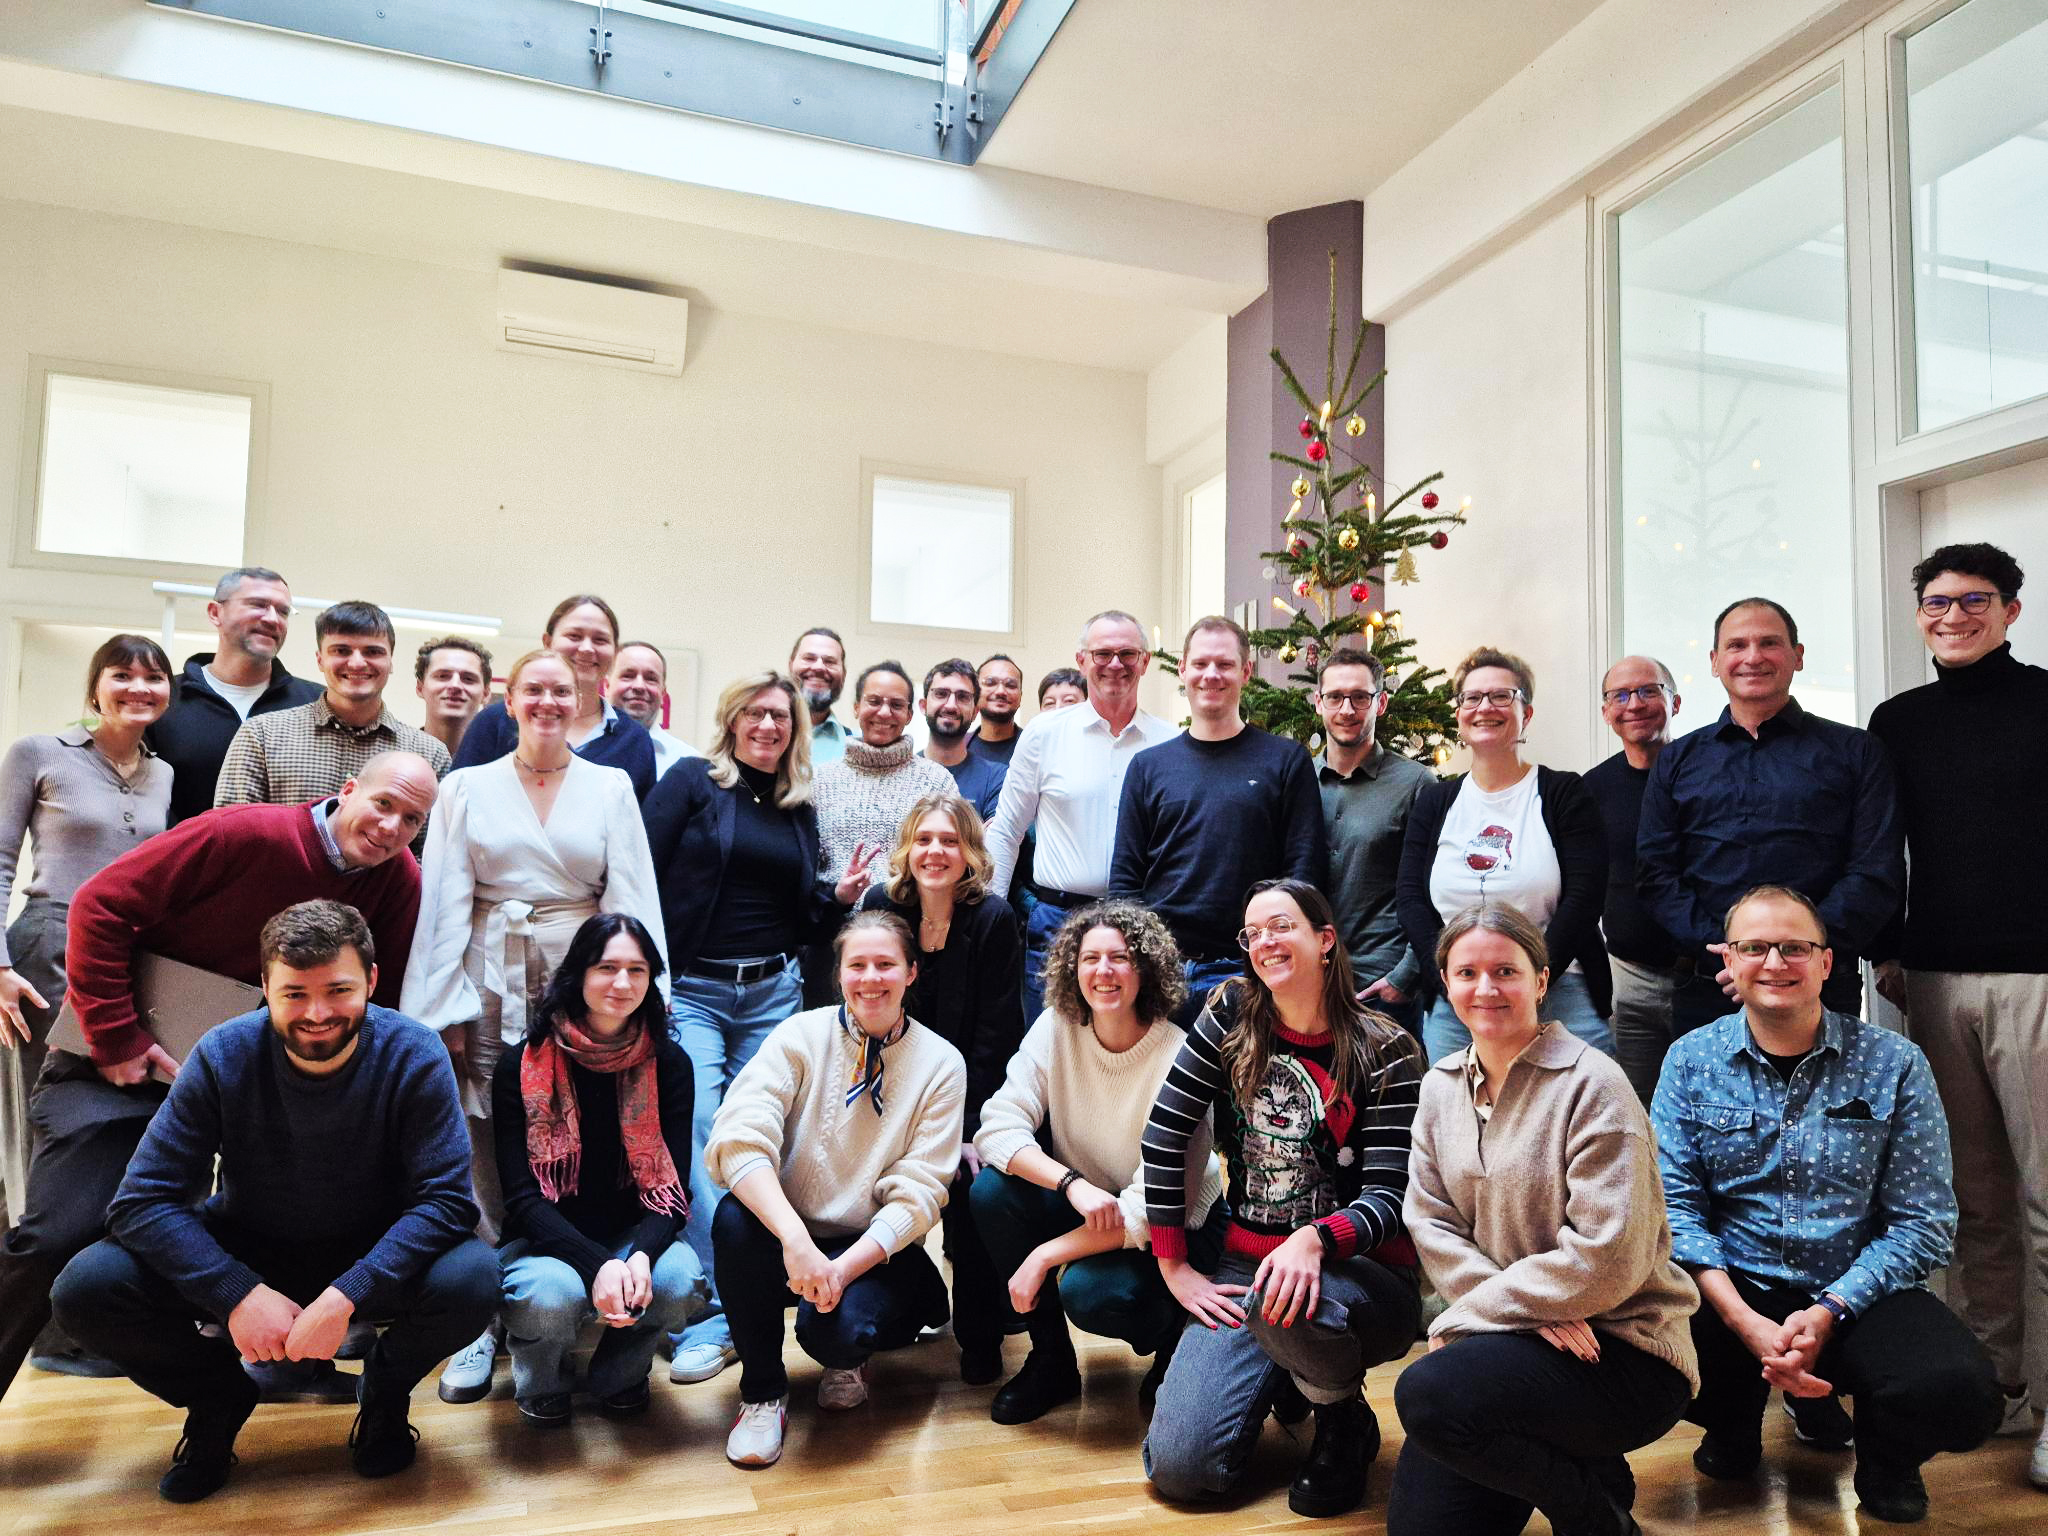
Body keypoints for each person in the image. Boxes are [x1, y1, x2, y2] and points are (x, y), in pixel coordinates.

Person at [0, 753, 434, 1404]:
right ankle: (212, 1388)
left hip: (258, 1085)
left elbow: (382, 995)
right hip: (128, 1063)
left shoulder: (398, 880)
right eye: (382, 804)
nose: (390, 826)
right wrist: (117, 1037)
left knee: (301, 1213)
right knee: (61, 1232)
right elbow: (98, 905)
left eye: (411, 819)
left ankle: (287, 1364)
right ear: (346, 790)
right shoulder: (244, 834)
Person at [50, 900, 496, 1502]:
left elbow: (446, 1202)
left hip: (371, 1248)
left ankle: (385, 1394)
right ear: (264, 986)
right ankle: (217, 1399)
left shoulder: (414, 1051)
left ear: (371, 979)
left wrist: (348, 1295)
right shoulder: (223, 1052)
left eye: (338, 989)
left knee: (472, 1277)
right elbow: (141, 1201)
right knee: (86, 1287)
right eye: (294, 994)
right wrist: (235, 1292)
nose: (317, 1013)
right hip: (252, 1243)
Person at [1652, 885, 2002, 1524]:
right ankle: (1730, 1426)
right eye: (1754, 948)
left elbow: (1924, 1221)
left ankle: (1887, 1459)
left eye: (1794, 947)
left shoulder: (1895, 1064)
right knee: (1638, 1355)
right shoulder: (1688, 1060)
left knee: (1961, 1395)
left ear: (1826, 962)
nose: (1775, 963)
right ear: (1728, 961)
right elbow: (1674, 1208)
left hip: (1856, 1288)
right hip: (1734, 1286)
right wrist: (1742, 1319)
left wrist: (1830, 1309)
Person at [404, 649, 667, 1402]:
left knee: (586, 1121)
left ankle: (566, 1290)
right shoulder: (466, 787)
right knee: (488, 1135)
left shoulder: (611, 785)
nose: (549, 702)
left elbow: (634, 898)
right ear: (509, 699)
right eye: (534, 691)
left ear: (579, 696)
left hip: (587, 975)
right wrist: (441, 1012)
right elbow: (445, 900)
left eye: (562, 690)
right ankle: (481, 1321)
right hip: (493, 976)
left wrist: (645, 998)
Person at [1391, 903, 1699, 1536]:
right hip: (1515, 1338)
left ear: (1540, 979)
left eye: (1505, 970)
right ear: (1445, 983)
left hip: (1621, 1347)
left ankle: (1594, 1519)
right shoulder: (1439, 1086)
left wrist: (1483, 1316)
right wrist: (1521, 1316)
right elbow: (1429, 1222)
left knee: (1427, 1394)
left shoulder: (1594, 1084)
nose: (1485, 988)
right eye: (1467, 972)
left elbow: (1607, 1256)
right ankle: (1593, 1472)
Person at [1141, 879, 1423, 1519]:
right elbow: (1165, 1135)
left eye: (1282, 925)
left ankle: (1340, 1418)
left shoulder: (1387, 1047)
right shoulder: (1229, 1015)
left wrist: (1314, 1239)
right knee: (1182, 1471)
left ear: (1325, 940)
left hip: (1361, 1272)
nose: (1266, 941)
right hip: (1249, 1266)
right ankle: (1293, 1374)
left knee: (1289, 1306)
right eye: (1253, 931)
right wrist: (1174, 1265)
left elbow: (1391, 1195)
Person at [1867, 543, 2048, 1475]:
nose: (1952, 616)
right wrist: (1888, 947)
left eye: (1973, 601)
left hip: (2038, 984)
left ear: (2011, 610)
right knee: (1974, 1199)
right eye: (1936, 602)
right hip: (1933, 982)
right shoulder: (1897, 722)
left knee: (2047, 1198)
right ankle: (2002, 1386)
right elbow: (1880, 845)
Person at [641, 671, 875, 1387]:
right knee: (709, 1134)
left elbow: (793, 908)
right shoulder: (689, 781)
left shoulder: (796, 804)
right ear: (732, 718)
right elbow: (641, 876)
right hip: (699, 994)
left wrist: (831, 898)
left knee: (776, 1136)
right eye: (756, 713)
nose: (768, 726)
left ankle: (761, 1283)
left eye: (781, 717)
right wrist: (649, 978)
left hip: (774, 992)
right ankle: (725, 1308)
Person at [708, 911, 965, 1468]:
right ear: (839, 973)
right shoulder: (799, 1036)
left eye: (886, 964)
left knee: (832, 1336)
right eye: (858, 965)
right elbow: (739, 1138)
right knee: (731, 1218)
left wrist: (841, 1270)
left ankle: (850, 1355)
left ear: (911, 973)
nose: (871, 978)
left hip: (870, 1250)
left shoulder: (942, 1063)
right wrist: (796, 1240)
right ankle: (762, 1393)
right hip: (790, 1232)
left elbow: (920, 1193)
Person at [971, 901, 1224, 1424]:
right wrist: (1069, 1184)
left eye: (1120, 958)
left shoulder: (1177, 1052)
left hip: (1175, 1227)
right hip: (1090, 1203)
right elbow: (996, 1126)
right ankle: (1051, 1363)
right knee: (991, 1193)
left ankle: (1172, 1345)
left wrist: (1042, 1256)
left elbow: (1152, 1204)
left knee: (1093, 1294)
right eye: (1090, 959)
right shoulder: (1056, 1027)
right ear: (1072, 967)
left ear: (1146, 969)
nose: (1103, 971)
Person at [1637, 597, 1903, 1026]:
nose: (1753, 657)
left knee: (1829, 1096)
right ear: (1714, 661)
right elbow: (1656, 874)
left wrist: (1799, 953)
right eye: (1737, 645)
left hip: (1821, 982)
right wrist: (1734, 955)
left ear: (1797, 656)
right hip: (1712, 982)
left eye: (1770, 643)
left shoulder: (1857, 752)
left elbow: (1876, 870)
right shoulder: (1677, 760)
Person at [492, 914, 705, 1426]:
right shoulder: (521, 1064)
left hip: (630, 1233)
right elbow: (522, 1200)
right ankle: (541, 1378)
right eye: (607, 967)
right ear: (578, 975)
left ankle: (621, 1373)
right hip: (545, 1242)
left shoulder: (669, 1064)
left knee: (679, 1281)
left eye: (637, 970)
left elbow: (672, 1192)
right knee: (549, 1300)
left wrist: (639, 1258)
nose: (623, 983)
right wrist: (599, 1264)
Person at [0, 635, 174, 1234]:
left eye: (153, 678)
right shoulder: (38, 752)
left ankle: (90, 1267)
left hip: (127, 957)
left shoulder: (163, 774)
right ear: (95, 685)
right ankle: (28, 1257)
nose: (138, 689)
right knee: (37, 1110)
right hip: (46, 944)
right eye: (122, 675)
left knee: (108, 1112)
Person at [859, 791, 1024, 1384]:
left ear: (969, 852)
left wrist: (965, 1130)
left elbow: (996, 1035)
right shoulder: (881, 906)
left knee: (974, 1190)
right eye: (924, 839)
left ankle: (980, 1337)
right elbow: (863, 1006)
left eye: (949, 841)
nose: (935, 852)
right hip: (888, 1089)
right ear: (908, 847)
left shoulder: (993, 918)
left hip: (972, 1096)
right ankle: (901, 1306)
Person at [1396, 646, 1612, 1063]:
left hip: (1558, 991)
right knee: (1461, 1120)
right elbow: (1410, 899)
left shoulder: (1564, 793)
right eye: (1472, 698)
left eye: (1501, 696)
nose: (1485, 708)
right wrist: (1448, 981)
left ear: (1525, 713)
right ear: (1459, 714)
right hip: (1456, 1001)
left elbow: (1585, 898)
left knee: (1576, 1120)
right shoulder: (1436, 801)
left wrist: (1529, 979)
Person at [1111, 617, 1326, 1020]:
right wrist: (1139, 961)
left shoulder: (1285, 760)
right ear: (1183, 670)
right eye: (1201, 664)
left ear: (1246, 672)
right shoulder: (1147, 767)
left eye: (1225, 665)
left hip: (1248, 971)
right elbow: (1125, 879)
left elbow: (1303, 873)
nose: (1212, 675)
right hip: (1162, 972)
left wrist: (1275, 954)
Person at [988, 612, 1174, 1021]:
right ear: (1082, 659)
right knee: (1050, 1050)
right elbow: (1006, 830)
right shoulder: (1045, 734)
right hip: (1058, 921)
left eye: (1127, 653)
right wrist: (992, 915)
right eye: (1103, 653)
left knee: (1132, 1050)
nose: (1115, 664)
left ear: (1144, 662)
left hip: (1141, 922)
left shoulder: (1171, 742)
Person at [213, 601, 453, 843]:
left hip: (385, 883)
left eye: (373, 651)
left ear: (391, 662)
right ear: (319, 660)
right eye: (341, 650)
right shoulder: (262, 735)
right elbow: (231, 838)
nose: (357, 663)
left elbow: (429, 856)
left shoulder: (429, 755)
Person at [806, 661, 953, 1007]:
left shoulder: (936, 781)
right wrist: (837, 894)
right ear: (856, 708)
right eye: (874, 701)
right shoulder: (820, 780)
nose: (884, 712)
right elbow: (803, 869)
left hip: (909, 944)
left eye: (896, 704)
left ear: (908, 713)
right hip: (832, 943)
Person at [1313, 646, 1433, 1035]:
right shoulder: (1297, 781)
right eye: (1335, 697)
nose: (1347, 710)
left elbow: (1433, 888)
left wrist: (1407, 976)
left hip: (1383, 987)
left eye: (1360, 697)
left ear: (1380, 703)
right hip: (1310, 982)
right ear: (1318, 703)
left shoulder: (1416, 784)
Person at [1582, 656, 1687, 1101]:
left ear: (1674, 702)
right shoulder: (1591, 789)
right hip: (1629, 980)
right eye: (1619, 696)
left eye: (1649, 691)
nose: (1634, 704)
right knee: (1634, 1108)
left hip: (1708, 978)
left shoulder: (1707, 771)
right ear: (1606, 712)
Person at [147, 566, 320, 824]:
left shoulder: (317, 703)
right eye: (258, 605)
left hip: (290, 863)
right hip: (185, 860)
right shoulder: (163, 700)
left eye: (283, 611)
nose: (273, 618)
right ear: (215, 612)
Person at [453, 595, 657, 800]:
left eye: (600, 640)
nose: (587, 648)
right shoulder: (493, 722)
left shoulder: (635, 741)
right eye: (574, 636)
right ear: (547, 642)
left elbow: (639, 826)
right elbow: (457, 800)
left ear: (614, 652)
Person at [918, 659, 1006, 822]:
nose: (951, 706)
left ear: (974, 712)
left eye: (962, 697)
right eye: (941, 694)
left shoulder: (996, 778)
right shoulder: (902, 771)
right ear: (923, 706)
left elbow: (993, 844)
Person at [608, 641, 699, 779]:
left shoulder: (691, 763)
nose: (639, 686)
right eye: (628, 675)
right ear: (606, 686)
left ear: (663, 693)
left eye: (651, 679)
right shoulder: (576, 750)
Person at [414, 636, 493, 760]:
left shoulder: (502, 762)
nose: (455, 685)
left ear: (486, 694)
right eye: (442, 676)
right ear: (420, 688)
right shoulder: (396, 756)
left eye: (468, 679)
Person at [790, 627, 849, 766]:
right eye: (809, 658)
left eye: (830, 661)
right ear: (791, 665)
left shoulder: (856, 744)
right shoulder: (758, 735)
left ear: (844, 674)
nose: (819, 667)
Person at [970, 654, 1025, 765]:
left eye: (1011, 685)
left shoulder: (1035, 748)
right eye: (990, 683)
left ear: (1020, 697)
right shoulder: (957, 747)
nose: (1001, 691)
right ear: (975, 692)